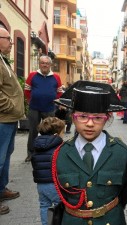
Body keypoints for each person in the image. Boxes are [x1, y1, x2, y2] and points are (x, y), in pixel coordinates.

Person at [52, 81, 127, 225]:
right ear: (72, 117)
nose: (89, 123)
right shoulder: (60, 154)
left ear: (107, 118)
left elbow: (125, 191)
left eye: (98, 118)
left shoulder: (122, 152)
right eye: (82, 116)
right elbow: (61, 194)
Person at [0, 27, 25, 215]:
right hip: (3, 118)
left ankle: (1, 189)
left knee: (6, 156)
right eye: (8, 38)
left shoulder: (3, 60)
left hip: (9, 119)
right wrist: (10, 106)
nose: (11, 42)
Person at [24, 55, 63, 162]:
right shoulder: (32, 75)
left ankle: (50, 153)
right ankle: (31, 154)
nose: (44, 65)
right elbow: (27, 90)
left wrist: (57, 103)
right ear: (39, 64)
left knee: (51, 131)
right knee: (33, 132)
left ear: (50, 65)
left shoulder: (56, 77)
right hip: (34, 108)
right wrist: (30, 100)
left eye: (47, 63)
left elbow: (59, 92)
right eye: (42, 63)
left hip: (50, 108)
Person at [31, 117, 65, 225]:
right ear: (57, 134)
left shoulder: (37, 145)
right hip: (55, 184)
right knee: (59, 206)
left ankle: (46, 223)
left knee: (44, 205)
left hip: (41, 184)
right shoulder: (60, 147)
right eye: (63, 132)